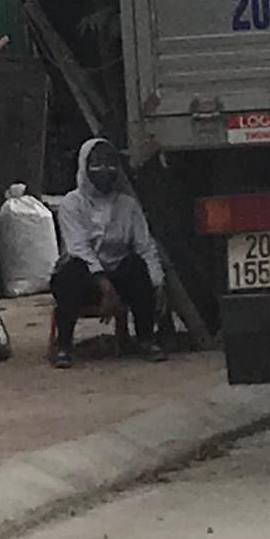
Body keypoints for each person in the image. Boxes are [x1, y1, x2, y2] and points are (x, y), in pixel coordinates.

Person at [46, 135, 170, 366]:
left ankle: (146, 339)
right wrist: (105, 287)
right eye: (97, 163)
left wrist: (157, 282)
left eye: (110, 163)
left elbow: (145, 246)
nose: (105, 170)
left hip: (119, 278)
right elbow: (79, 248)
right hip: (85, 281)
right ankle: (63, 346)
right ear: (84, 166)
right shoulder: (72, 203)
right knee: (71, 270)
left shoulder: (128, 205)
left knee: (136, 266)